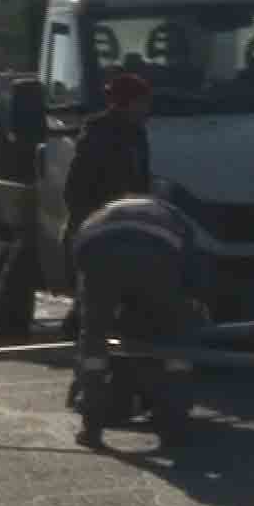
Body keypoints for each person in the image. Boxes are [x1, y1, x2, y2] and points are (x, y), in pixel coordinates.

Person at [66, 196, 209, 450]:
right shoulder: (177, 219)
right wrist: (190, 306)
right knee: (175, 340)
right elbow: (192, 275)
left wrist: (94, 314)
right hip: (154, 255)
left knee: (93, 344)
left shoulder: (101, 212)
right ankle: (173, 425)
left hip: (96, 251)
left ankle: (92, 428)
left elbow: (78, 265)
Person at [54, 73, 154, 339]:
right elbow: (77, 187)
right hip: (100, 220)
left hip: (128, 217)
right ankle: (80, 339)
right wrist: (93, 219)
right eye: (142, 102)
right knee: (94, 291)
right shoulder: (99, 133)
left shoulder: (138, 133)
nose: (147, 108)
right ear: (127, 103)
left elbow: (141, 179)